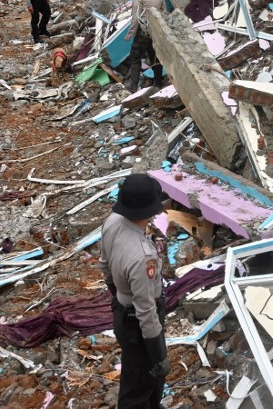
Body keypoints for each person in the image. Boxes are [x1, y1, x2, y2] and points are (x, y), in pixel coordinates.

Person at [99, 174, 170, 409]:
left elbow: (105, 266)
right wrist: (159, 355)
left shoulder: (112, 222)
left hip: (122, 311)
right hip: (138, 327)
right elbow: (146, 312)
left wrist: (118, 296)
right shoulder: (143, 257)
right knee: (138, 385)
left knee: (148, 379)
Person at [125, 0, 165, 88]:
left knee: (135, 58)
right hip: (156, 31)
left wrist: (130, 33)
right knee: (155, 57)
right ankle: (158, 84)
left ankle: (133, 88)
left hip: (143, 31)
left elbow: (136, 17)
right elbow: (164, 14)